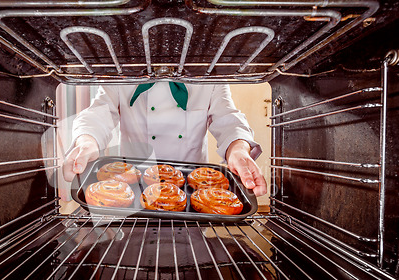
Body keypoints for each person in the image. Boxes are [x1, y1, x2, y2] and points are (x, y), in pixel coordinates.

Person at [63, 82, 267, 196]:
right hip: (131, 191)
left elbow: (227, 119)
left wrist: (239, 149)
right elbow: (98, 113)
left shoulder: (209, 75)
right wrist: (87, 142)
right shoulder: (122, 71)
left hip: (190, 193)